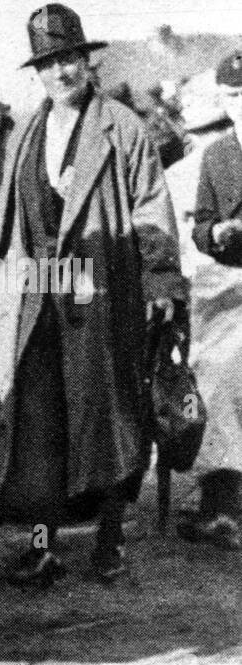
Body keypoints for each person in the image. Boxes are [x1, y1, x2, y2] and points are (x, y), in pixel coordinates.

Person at [0, 4, 185, 586]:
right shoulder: (26, 131)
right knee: (37, 422)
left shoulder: (122, 127)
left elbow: (151, 209)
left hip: (103, 293)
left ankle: (111, 539)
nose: (62, 73)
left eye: (70, 59)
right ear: (37, 74)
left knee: (110, 410)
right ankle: (43, 546)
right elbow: (11, 219)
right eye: (49, 64)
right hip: (38, 296)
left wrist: (161, 280)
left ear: (86, 62)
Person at [182, 52, 242, 547]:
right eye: (235, 98)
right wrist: (215, 230)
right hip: (232, 284)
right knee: (219, 379)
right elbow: (200, 224)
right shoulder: (218, 155)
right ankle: (221, 505)